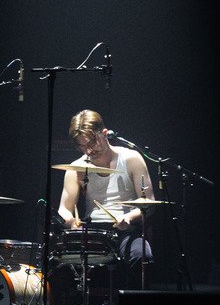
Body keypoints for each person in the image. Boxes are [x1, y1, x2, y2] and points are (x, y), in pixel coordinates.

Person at [55, 109, 154, 283]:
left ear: (105, 133)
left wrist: (129, 217)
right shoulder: (76, 168)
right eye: (82, 146)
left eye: (92, 142)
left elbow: (149, 202)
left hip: (125, 230)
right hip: (92, 232)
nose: (88, 150)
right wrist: (71, 222)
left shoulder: (131, 158)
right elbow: (64, 208)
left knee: (141, 257)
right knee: (58, 265)